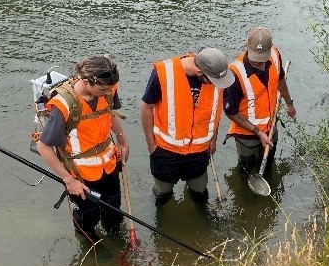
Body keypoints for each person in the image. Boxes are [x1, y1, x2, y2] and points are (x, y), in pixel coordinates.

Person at [37, 55, 129, 242]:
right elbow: (43, 146)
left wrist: (123, 141)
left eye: (109, 89)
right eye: (103, 89)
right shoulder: (62, 106)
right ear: (86, 81)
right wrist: (69, 181)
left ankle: (115, 238)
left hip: (109, 165)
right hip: (80, 175)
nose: (107, 92)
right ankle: (91, 247)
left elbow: (110, 113)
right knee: (87, 219)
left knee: (113, 211)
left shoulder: (108, 89)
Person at [140, 48, 234, 204]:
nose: (218, 85)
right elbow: (146, 107)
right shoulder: (164, 73)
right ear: (200, 72)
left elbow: (215, 111)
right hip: (166, 150)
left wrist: (213, 139)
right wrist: (151, 145)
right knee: (163, 193)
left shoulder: (218, 75)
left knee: (199, 192)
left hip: (200, 150)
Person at [223, 26, 295, 176]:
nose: (260, 65)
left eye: (263, 60)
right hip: (246, 134)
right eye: (256, 61)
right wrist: (257, 131)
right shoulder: (234, 73)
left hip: (270, 125)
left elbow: (280, 79)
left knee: (268, 163)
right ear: (246, 46)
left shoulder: (275, 55)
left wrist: (289, 103)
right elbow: (230, 112)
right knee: (246, 169)